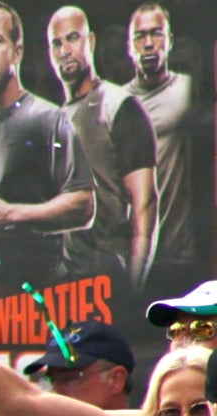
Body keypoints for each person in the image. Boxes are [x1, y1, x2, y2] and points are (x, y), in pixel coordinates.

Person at [0, 2, 92, 286]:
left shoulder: (48, 118)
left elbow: (84, 205)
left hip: (41, 298)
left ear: (17, 51)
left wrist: (10, 213)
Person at [47, 5, 156, 286]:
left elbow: (144, 205)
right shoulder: (55, 119)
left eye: (72, 38)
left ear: (90, 41)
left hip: (107, 274)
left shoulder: (118, 106)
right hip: (66, 282)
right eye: (56, 43)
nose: (64, 50)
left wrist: (134, 287)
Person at [121, 4, 201, 293]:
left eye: (156, 34)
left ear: (169, 40)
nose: (149, 43)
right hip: (135, 257)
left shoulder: (190, 91)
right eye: (140, 36)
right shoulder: (118, 104)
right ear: (129, 46)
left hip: (183, 253)